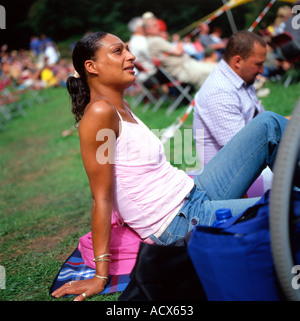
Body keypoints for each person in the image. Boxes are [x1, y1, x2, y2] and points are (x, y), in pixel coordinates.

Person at [51, 31, 294, 301]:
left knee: (268, 124)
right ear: (91, 66)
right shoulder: (99, 114)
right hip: (179, 220)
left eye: (128, 49)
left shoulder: (120, 105)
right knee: (288, 208)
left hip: (195, 190)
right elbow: (101, 197)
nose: (131, 56)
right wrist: (99, 276)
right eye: (118, 51)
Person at [193, 30, 267, 167]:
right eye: (258, 64)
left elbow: (263, 125)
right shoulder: (220, 91)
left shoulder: (242, 78)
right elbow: (244, 150)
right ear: (237, 61)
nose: (262, 70)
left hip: (249, 169)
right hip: (232, 179)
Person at [143, 16, 216, 89]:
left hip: (186, 67)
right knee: (215, 71)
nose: (158, 27)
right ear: (148, 30)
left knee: (215, 69)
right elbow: (179, 52)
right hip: (185, 70)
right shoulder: (156, 40)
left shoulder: (151, 41)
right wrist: (181, 44)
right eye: (154, 25)